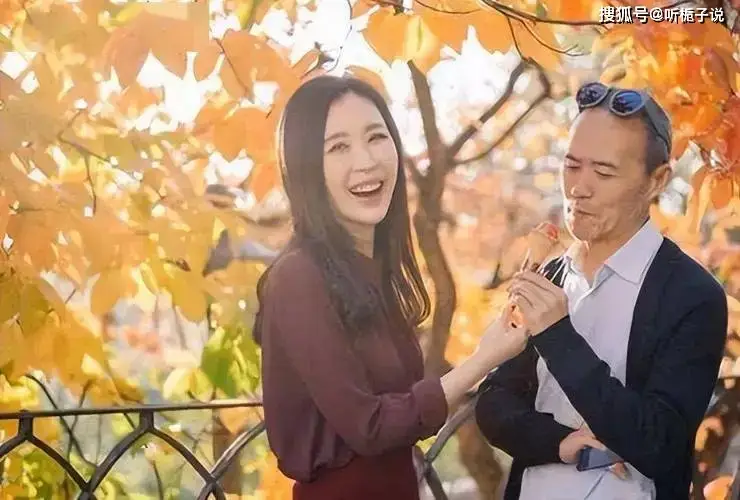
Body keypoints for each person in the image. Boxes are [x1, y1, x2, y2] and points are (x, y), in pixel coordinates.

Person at [253, 75, 528, 500]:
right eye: (338, 147)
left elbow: (402, 418)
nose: (366, 161)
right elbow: (369, 427)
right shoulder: (298, 277)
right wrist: (483, 359)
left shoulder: (368, 271)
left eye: (376, 137)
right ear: (307, 167)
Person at [475, 82, 728, 500]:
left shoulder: (692, 295)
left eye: (604, 172)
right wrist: (559, 442)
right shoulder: (551, 276)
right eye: (571, 166)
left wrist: (557, 336)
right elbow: (493, 401)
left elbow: (660, 442)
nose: (579, 187)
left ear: (657, 181)